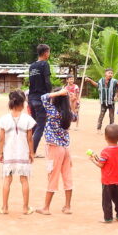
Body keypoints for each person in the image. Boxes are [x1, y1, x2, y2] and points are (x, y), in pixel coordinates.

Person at [35, 86, 73, 215]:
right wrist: (72, 103)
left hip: (55, 149)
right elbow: (75, 117)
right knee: (67, 176)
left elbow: (43, 97)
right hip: (65, 148)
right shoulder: (68, 113)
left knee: (52, 176)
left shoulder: (53, 111)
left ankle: (46, 208)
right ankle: (67, 207)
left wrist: (58, 93)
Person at [0, 89, 35, 215]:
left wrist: (0, 153)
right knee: (24, 180)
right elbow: (30, 139)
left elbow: (1, 139)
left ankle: (4, 207)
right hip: (22, 153)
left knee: (7, 179)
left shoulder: (4, 119)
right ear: (22, 103)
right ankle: (25, 208)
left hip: (9, 153)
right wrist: (31, 153)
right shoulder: (27, 119)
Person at [87, 123, 118, 223]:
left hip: (107, 180)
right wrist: (98, 158)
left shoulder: (105, 151)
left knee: (106, 200)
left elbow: (101, 165)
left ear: (105, 137)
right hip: (116, 180)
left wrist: (93, 160)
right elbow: (113, 161)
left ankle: (108, 218)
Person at [27, 44, 52, 154]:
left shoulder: (32, 66)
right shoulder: (44, 64)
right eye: (49, 52)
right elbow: (47, 81)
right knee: (40, 126)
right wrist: (49, 94)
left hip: (31, 99)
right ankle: (32, 152)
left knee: (34, 125)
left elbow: (31, 83)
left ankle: (26, 149)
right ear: (46, 52)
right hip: (41, 98)